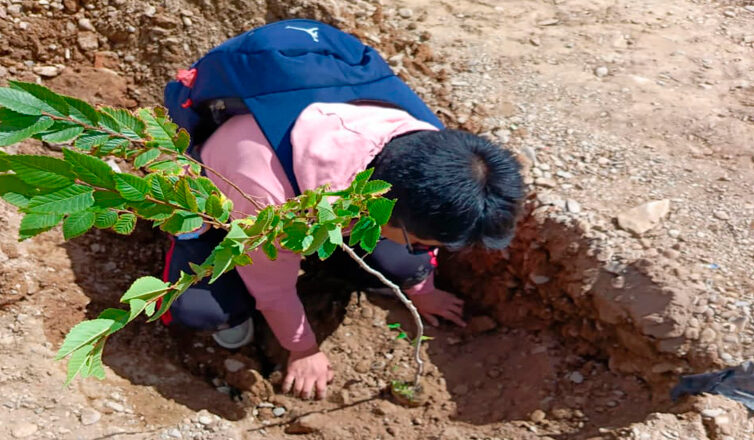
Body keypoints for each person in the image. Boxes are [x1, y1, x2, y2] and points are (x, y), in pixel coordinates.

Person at [161, 19, 525, 401]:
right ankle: (202, 267)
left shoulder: (430, 146)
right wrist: (303, 349)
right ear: (383, 208)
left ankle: (344, 255)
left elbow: (419, 228)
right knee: (202, 308)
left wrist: (422, 287)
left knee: (402, 266)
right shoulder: (266, 195)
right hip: (236, 191)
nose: (425, 248)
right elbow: (272, 287)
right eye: (421, 242)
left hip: (335, 188)